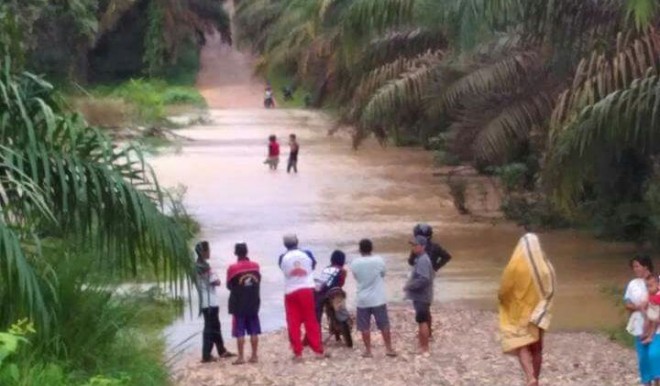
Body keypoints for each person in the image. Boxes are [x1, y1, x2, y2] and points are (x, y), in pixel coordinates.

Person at [498, 233, 556, 386]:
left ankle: (529, 377)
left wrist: (503, 301)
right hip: (539, 312)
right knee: (537, 348)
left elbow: (505, 288)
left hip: (519, 311)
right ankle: (536, 379)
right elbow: (551, 289)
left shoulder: (515, 265)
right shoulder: (546, 267)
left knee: (522, 344)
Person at [278, 234, 327, 361]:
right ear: (297, 242)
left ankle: (298, 353)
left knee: (293, 321)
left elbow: (283, 270)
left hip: (290, 291)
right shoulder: (307, 253)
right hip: (307, 289)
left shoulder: (282, 257)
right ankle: (318, 350)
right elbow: (313, 266)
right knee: (310, 319)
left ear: (285, 245)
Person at [350, 239, 396, 358]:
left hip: (363, 299)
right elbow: (382, 274)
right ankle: (389, 348)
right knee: (384, 324)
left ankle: (368, 350)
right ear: (372, 248)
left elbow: (356, 277)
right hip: (378, 298)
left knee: (364, 326)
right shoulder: (379, 260)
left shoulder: (355, 263)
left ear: (360, 249)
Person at [408, 223, 452, 337]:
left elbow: (410, 261)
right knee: (426, 303)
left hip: (420, 276)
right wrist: (435, 267)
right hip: (430, 276)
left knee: (421, 304)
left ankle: (425, 331)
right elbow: (447, 256)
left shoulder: (417, 248)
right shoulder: (435, 246)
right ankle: (428, 331)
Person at [195, 241, 234, 363]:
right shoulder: (204, 267)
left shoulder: (197, 265)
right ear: (203, 252)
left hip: (206, 301)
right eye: (208, 250)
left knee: (215, 326)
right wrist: (215, 277)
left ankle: (221, 350)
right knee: (209, 328)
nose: (209, 252)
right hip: (210, 302)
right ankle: (206, 355)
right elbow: (216, 282)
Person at [624, 255, 660, 385]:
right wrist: (638, 307)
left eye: (637, 266)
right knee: (644, 359)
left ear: (645, 266)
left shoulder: (658, 280)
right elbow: (627, 303)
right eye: (633, 267)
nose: (635, 269)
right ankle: (647, 382)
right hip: (639, 326)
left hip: (657, 326)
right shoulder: (632, 284)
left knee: (655, 355)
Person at [226, 242, 261, 365]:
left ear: (236, 253)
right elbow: (258, 281)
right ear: (247, 252)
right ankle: (254, 356)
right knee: (253, 330)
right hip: (253, 302)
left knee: (239, 331)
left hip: (239, 303)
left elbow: (229, 286)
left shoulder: (232, 268)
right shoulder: (256, 266)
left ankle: (241, 357)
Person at [404, 235, 435, 354]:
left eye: (415, 245)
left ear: (422, 246)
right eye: (412, 245)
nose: (413, 247)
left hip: (422, 296)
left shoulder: (423, 260)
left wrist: (409, 286)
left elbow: (424, 279)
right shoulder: (421, 258)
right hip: (421, 296)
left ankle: (425, 347)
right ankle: (422, 345)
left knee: (422, 321)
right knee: (421, 320)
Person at [314, 250, 347, 324]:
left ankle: (316, 330)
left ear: (332, 259)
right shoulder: (342, 270)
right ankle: (344, 327)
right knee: (342, 314)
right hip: (332, 294)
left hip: (319, 293)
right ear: (342, 260)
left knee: (317, 317)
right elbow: (341, 284)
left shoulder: (326, 269)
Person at [643, 275, 660, 345]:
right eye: (647, 286)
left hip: (657, 312)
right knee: (647, 321)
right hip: (651, 310)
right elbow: (646, 303)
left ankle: (650, 337)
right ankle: (646, 333)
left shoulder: (659, 294)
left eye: (651, 286)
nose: (649, 288)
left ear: (658, 286)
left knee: (654, 324)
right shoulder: (649, 294)